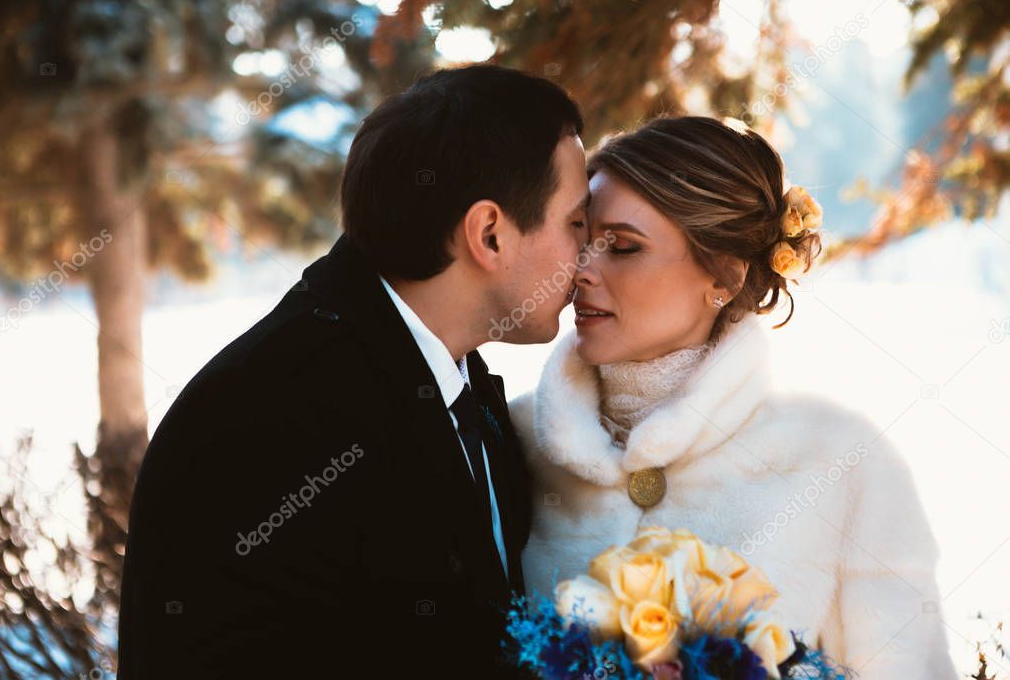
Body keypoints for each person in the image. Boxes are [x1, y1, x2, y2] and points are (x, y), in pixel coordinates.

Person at [117, 64, 590, 678]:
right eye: (576, 224)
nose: (587, 258)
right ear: (490, 234)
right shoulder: (265, 416)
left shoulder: (456, 378)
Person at [509, 115, 957, 678]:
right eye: (580, 235)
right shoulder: (512, 440)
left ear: (723, 275)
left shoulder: (839, 460)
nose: (581, 270)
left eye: (621, 246)